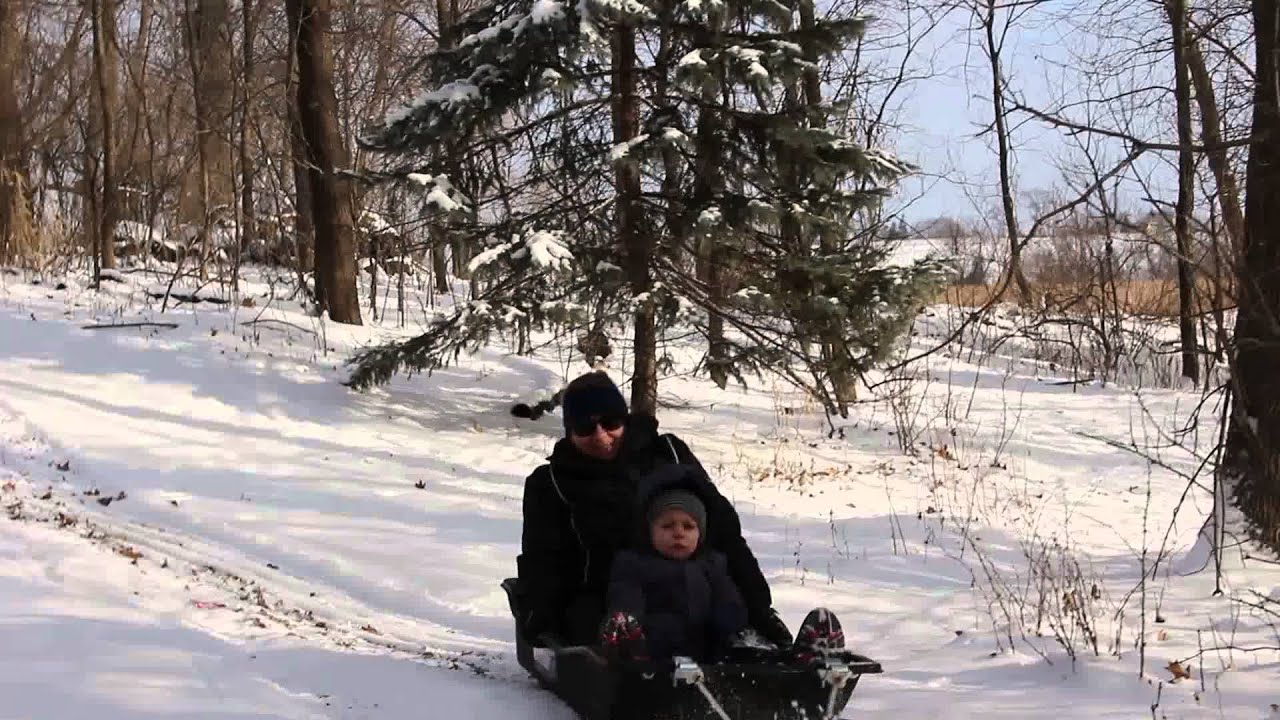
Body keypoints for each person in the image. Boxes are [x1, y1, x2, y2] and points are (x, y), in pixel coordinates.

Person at [517, 370, 793, 649]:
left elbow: (723, 530)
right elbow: (542, 558)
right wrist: (540, 620)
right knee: (594, 620)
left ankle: (757, 653)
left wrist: (759, 607)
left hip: (692, 583)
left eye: (610, 423)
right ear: (569, 432)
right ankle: (627, 654)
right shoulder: (552, 482)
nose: (601, 435)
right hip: (607, 598)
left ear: (624, 420)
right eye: (585, 428)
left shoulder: (667, 454)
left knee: (727, 614)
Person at [598, 467, 749, 664]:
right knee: (654, 632)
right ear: (649, 531)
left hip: (705, 648)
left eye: (688, 527)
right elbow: (626, 595)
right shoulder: (634, 564)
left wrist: (730, 619)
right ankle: (628, 649)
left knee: (727, 637)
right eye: (667, 526)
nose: (678, 533)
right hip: (655, 649)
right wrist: (627, 618)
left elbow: (728, 598)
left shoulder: (712, 565)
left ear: (700, 534)